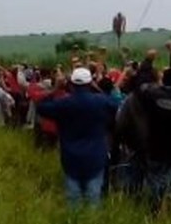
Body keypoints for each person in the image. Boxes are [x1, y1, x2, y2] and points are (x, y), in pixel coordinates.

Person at [36, 68, 121, 207]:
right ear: (90, 83)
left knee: (73, 199)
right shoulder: (101, 102)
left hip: (71, 157)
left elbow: (41, 107)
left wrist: (55, 89)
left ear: (71, 84)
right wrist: (97, 88)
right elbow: (116, 104)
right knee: (94, 198)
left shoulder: (64, 104)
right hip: (96, 156)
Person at [121, 66, 171, 213]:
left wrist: (146, 64)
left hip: (155, 147)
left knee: (154, 182)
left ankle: (152, 212)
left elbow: (137, 87)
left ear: (163, 80)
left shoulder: (151, 96)